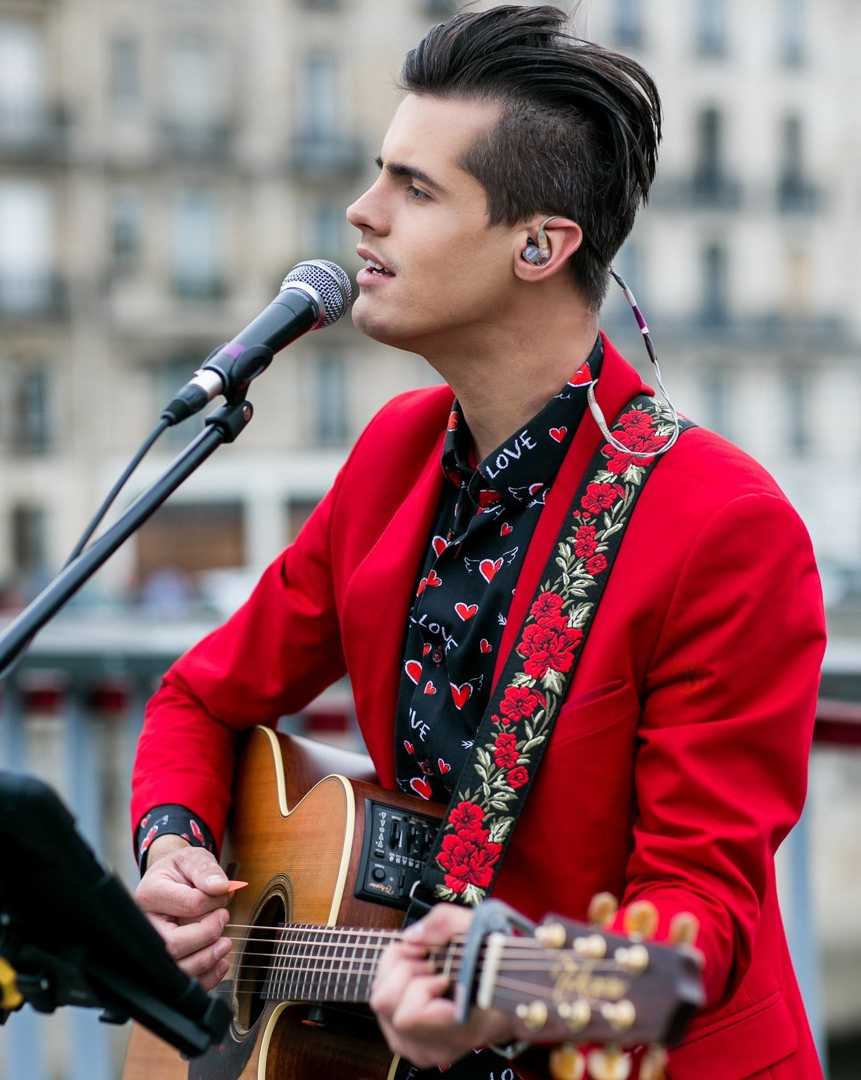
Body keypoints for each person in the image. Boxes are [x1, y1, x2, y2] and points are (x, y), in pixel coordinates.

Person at [131, 6, 827, 1078]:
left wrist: (507, 999)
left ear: (540, 245)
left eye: (414, 189)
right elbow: (200, 696)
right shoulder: (394, 458)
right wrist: (174, 847)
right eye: (380, 175)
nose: (361, 214)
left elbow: (699, 920)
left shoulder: (724, 527)